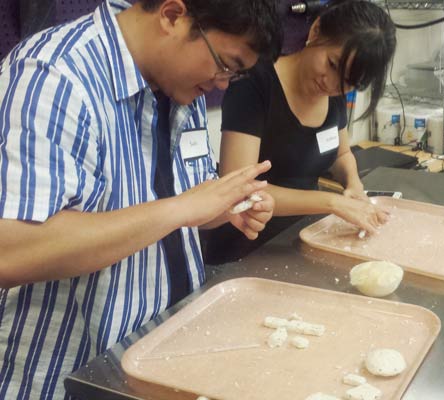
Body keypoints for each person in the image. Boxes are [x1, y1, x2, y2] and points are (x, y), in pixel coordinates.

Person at [0, 0, 282, 398]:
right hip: (68, 374)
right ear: (171, 16)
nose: (221, 83)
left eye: (232, 76)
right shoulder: (55, 76)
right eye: (225, 64)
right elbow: (11, 250)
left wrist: (225, 208)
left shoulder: (181, 84)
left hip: (155, 358)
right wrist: (180, 208)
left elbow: (183, 207)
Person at [202, 0, 397, 264]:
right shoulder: (254, 83)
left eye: (348, 82)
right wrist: (332, 202)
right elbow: (237, 190)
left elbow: (341, 154)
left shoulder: (333, 90)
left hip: (303, 238)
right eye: (331, 63)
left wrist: (353, 183)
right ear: (316, 31)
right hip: (246, 248)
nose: (330, 83)